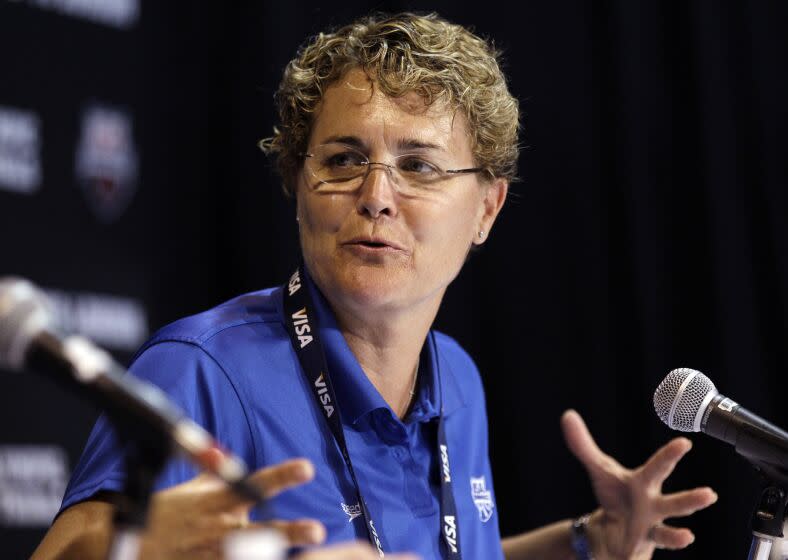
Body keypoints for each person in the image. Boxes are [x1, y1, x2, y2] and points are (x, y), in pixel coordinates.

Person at [33, 12, 717, 560]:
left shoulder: (456, 376)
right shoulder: (202, 368)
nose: (376, 195)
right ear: (297, 187)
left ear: (487, 209)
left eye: (419, 165)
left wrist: (586, 542)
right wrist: (138, 548)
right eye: (342, 159)